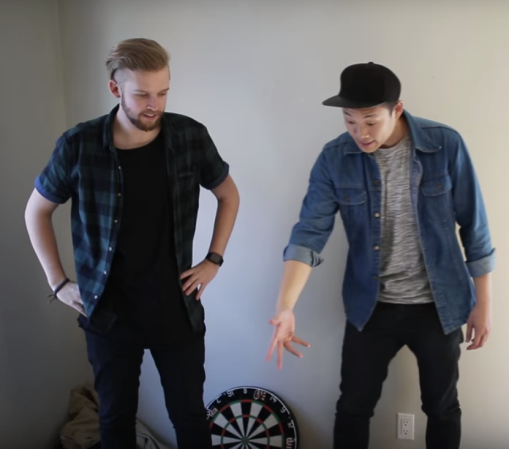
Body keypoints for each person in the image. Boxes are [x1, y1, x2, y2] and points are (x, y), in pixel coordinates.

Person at [266, 62, 495, 449]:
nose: (360, 133)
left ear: (397, 109)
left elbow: (475, 227)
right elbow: (308, 233)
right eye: (350, 121)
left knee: (442, 408)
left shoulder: (445, 144)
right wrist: (286, 306)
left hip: (439, 307)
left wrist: (483, 304)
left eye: (370, 121)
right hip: (370, 307)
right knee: (353, 407)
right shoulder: (334, 158)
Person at [25, 38, 239, 449]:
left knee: (190, 418)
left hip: (176, 306)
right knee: (115, 419)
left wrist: (214, 260)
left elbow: (229, 195)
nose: (154, 104)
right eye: (142, 94)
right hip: (108, 312)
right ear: (115, 89)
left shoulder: (190, 136)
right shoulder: (79, 145)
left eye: (162, 92)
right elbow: (35, 212)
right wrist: (58, 283)